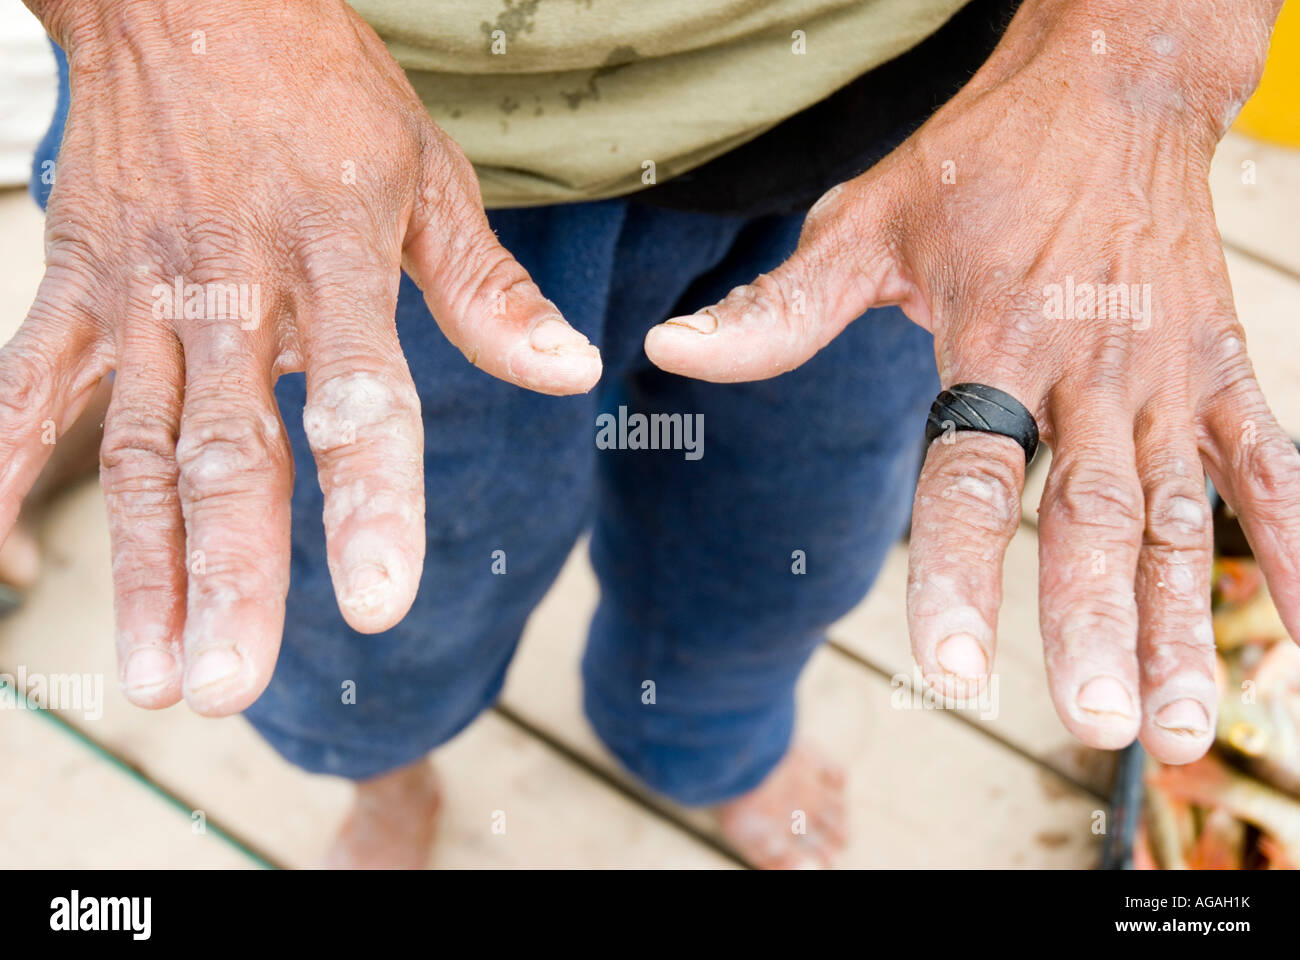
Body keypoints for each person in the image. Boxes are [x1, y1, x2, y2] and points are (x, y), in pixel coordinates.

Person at [5, 0, 1298, 869]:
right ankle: (382, 760)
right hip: (316, 122)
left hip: (927, 118)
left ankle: (710, 737)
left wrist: (1152, 56)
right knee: (366, 594)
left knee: (787, 534)